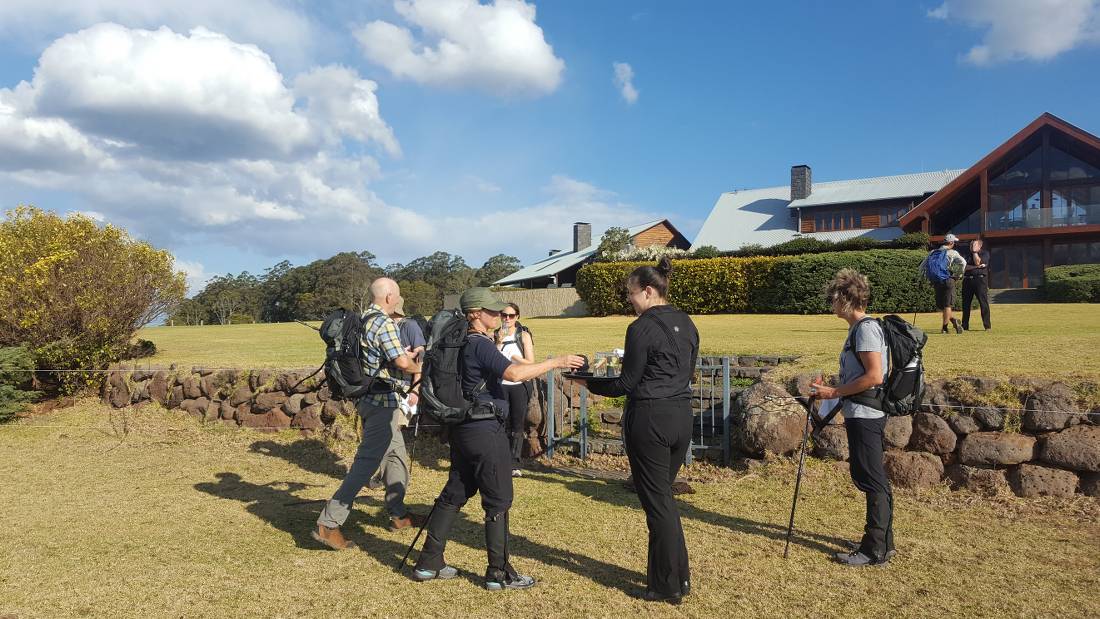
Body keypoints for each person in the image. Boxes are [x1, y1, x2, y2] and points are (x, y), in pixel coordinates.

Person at [412, 288, 584, 590]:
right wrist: (557, 362)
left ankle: (428, 563)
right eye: (492, 311)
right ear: (475, 313)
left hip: (462, 429)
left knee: (455, 492)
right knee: (498, 500)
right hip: (485, 431)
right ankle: (499, 573)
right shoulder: (479, 344)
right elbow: (515, 374)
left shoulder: (455, 342)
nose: (498, 316)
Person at [571, 257, 699, 604]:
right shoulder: (688, 323)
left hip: (651, 419)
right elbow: (688, 373)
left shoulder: (640, 328)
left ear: (647, 291)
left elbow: (626, 383)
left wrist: (587, 382)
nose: (628, 300)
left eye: (630, 294)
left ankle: (666, 585)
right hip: (681, 417)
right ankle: (678, 576)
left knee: (658, 505)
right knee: (663, 500)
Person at [312, 278, 425, 551]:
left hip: (369, 398)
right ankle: (329, 523)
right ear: (388, 297)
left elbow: (377, 356)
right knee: (365, 464)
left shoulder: (363, 319)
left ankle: (398, 515)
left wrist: (402, 356)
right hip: (380, 403)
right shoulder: (384, 322)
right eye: (397, 296)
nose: (398, 300)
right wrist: (419, 363)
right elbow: (400, 362)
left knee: (396, 456)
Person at [809, 268, 895, 567]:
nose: (830, 303)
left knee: (871, 478)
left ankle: (874, 550)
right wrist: (831, 387)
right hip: (860, 410)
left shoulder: (866, 329)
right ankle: (883, 541)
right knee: (870, 476)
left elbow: (874, 375)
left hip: (866, 413)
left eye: (833, 297)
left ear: (846, 299)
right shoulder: (858, 329)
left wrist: (834, 392)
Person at [367, 297, 426, 492]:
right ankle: (387, 477)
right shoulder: (386, 325)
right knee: (389, 436)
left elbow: (420, 358)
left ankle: (387, 479)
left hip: (402, 390)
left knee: (393, 434)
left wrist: (415, 389)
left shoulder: (409, 326)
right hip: (387, 390)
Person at [495, 302, 534, 477]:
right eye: (504, 315)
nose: (507, 319)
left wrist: (516, 358)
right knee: (500, 422)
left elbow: (531, 363)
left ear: (517, 317)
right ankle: (500, 459)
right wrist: (498, 343)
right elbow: (493, 360)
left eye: (511, 316)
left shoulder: (523, 335)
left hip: (519, 385)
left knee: (517, 424)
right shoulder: (496, 334)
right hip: (501, 384)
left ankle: (515, 462)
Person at [918, 233, 967, 334]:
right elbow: (963, 262)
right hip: (947, 279)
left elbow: (921, 266)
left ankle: (953, 320)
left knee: (942, 306)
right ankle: (945, 327)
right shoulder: (952, 252)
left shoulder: (932, 252)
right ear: (951, 242)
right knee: (947, 305)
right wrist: (959, 275)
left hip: (936, 281)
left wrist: (921, 278)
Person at [961, 238, 991, 331]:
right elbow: (964, 267)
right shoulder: (966, 254)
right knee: (966, 304)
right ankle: (964, 326)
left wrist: (974, 253)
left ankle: (987, 326)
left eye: (974, 245)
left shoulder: (985, 254)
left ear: (980, 246)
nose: (971, 247)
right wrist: (976, 267)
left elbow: (979, 261)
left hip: (980, 281)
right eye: (971, 245)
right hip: (968, 281)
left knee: (983, 303)